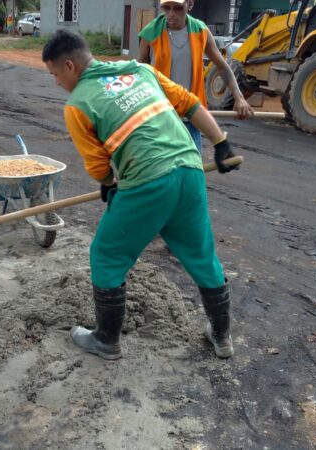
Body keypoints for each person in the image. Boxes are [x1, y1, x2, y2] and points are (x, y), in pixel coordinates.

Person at [42, 29, 240, 360]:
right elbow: (190, 104)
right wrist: (221, 143)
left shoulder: (77, 105)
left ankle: (106, 340)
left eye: (55, 75)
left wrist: (107, 183)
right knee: (202, 256)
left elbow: (97, 164)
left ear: (69, 66)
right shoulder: (139, 70)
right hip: (189, 171)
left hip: (149, 182)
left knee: (106, 254)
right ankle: (222, 338)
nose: (56, 82)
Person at [138, 0, 253, 151]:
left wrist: (239, 98)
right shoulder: (150, 33)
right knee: (162, 164)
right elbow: (142, 70)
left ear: (190, 5)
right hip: (161, 113)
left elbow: (222, 67)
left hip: (192, 114)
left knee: (192, 163)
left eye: (178, 8)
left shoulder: (200, 31)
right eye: (166, 8)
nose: (171, 14)